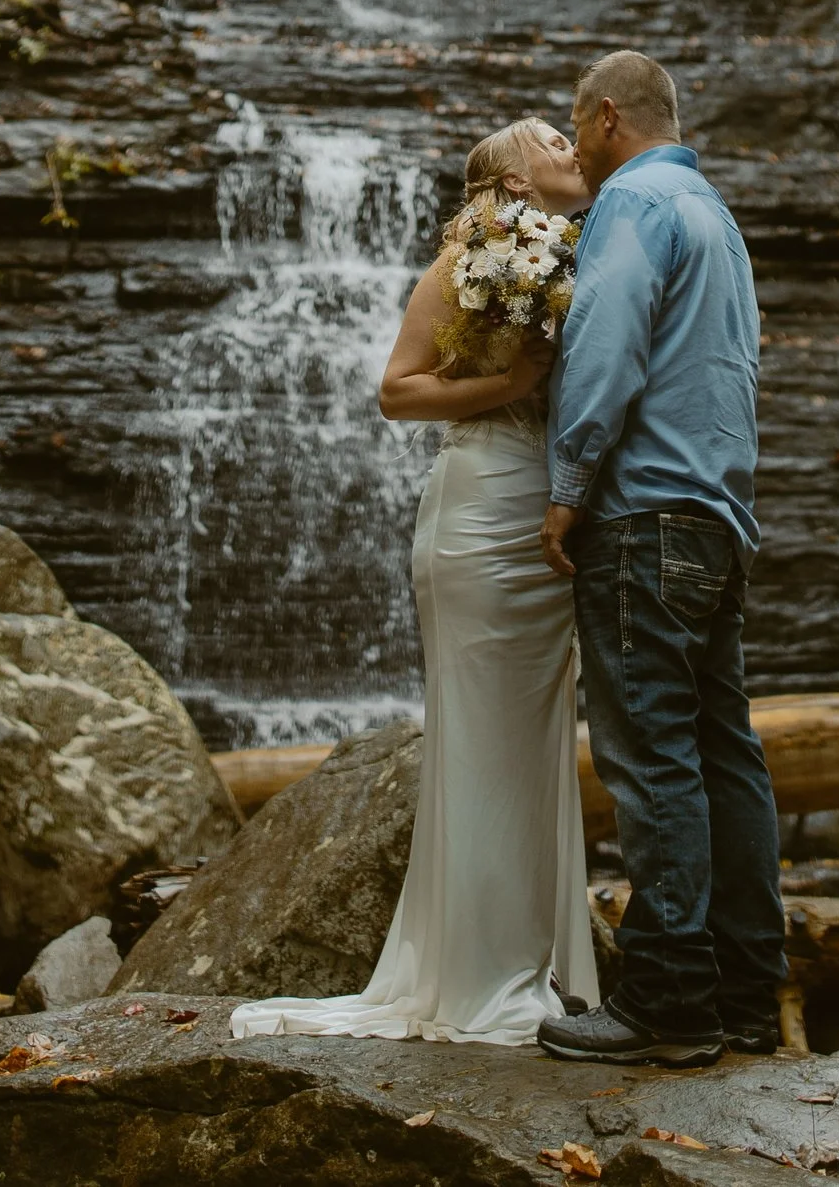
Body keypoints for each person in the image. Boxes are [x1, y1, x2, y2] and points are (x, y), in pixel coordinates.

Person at [230, 116, 602, 1046]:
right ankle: (483, 978)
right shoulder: (470, 259)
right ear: (513, 183)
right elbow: (397, 390)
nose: (570, 147)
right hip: (481, 512)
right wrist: (508, 386)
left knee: (535, 741)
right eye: (550, 142)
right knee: (482, 739)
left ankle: (532, 965)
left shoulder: (578, 252)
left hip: (548, 514)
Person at [534, 49, 786, 1067]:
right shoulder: (715, 216)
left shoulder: (632, 204)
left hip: (643, 513)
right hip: (717, 514)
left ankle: (670, 997)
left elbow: (604, 346)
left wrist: (567, 485)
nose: (575, 145)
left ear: (606, 117)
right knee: (725, 753)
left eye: (575, 125)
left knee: (652, 754)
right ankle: (746, 991)